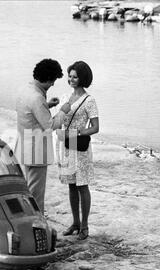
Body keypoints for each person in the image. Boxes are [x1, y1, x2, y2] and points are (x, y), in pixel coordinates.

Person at [15, 59, 72, 214]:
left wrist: (48, 105)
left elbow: (30, 112)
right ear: (47, 78)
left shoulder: (25, 89)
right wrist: (62, 111)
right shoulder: (37, 98)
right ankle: (35, 222)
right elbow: (50, 126)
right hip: (36, 150)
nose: (52, 84)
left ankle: (28, 217)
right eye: (52, 81)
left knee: (27, 187)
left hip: (24, 146)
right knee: (36, 192)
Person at [55, 61, 99, 240]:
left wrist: (77, 132)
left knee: (82, 185)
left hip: (78, 143)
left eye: (75, 76)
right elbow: (58, 119)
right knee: (71, 185)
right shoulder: (67, 97)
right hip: (66, 143)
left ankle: (85, 226)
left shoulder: (89, 101)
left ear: (83, 78)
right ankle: (75, 223)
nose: (71, 79)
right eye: (70, 76)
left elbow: (95, 127)